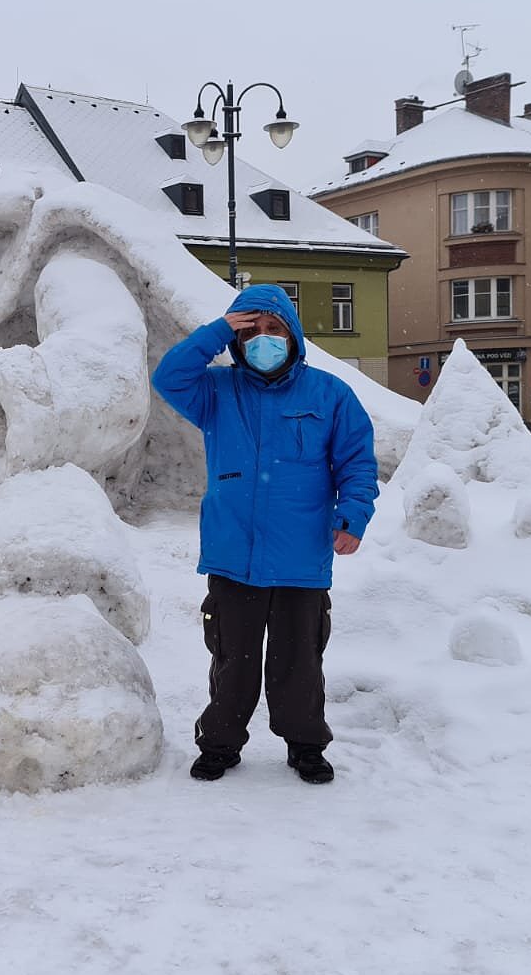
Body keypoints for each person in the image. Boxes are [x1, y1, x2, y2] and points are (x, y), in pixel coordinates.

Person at [151, 284, 378, 784]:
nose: (263, 340)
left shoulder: (329, 394)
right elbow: (168, 377)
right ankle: (220, 744)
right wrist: (216, 331)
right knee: (231, 660)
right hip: (234, 553)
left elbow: (357, 462)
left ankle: (306, 745)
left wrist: (352, 516)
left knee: (299, 662)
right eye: (251, 332)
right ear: (236, 341)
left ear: (293, 334)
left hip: (302, 555)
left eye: (274, 329)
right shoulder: (216, 392)